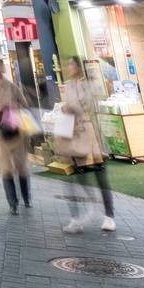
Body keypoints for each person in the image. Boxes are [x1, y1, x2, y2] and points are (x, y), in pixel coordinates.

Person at [56, 56, 114, 233]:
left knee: (99, 175)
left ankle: (109, 216)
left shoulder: (87, 84)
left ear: (79, 66)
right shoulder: (68, 85)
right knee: (74, 177)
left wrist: (71, 108)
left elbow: (88, 105)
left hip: (89, 133)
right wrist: (66, 109)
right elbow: (70, 106)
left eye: (72, 64)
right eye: (68, 64)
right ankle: (76, 218)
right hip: (73, 133)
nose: (69, 67)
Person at [0, 59, 32, 215]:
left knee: (22, 168)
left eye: (0, 66)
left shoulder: (12, 86)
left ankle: (26, 197)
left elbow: (24, 104)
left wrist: (13, 107)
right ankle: (13, 203)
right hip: (0, 132)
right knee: (6, 169)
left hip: (17, 131)